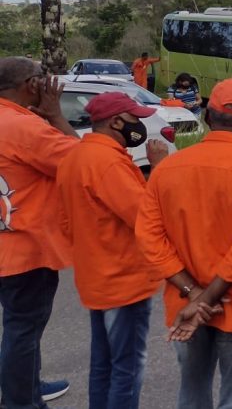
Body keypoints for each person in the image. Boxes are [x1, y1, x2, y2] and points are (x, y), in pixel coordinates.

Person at [136, 79, 232, 409]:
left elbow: (149, 238)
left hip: (183, 308)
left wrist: (193, 295)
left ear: (206, 116)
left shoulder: (166, 169)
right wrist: (207, 298)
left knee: (192, 392)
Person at [57, 92, 169, 409]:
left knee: (104, 364)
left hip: (96, 278)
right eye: (135, 118)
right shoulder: (108, 163)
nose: (140, 126)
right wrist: (159, 168)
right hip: (123, 282)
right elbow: (144, 217)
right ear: (117, 121)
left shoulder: (76, 158)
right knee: (127, 368)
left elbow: (66, 224)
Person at [0, 58, 80, 408]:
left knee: (18, 330)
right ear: (31, 85)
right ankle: (21, 401)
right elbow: (87, 165)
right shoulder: (25, 127)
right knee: (23, 329)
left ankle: (27, 386)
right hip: (26, 248)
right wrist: (57, 117)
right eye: (43, 80)